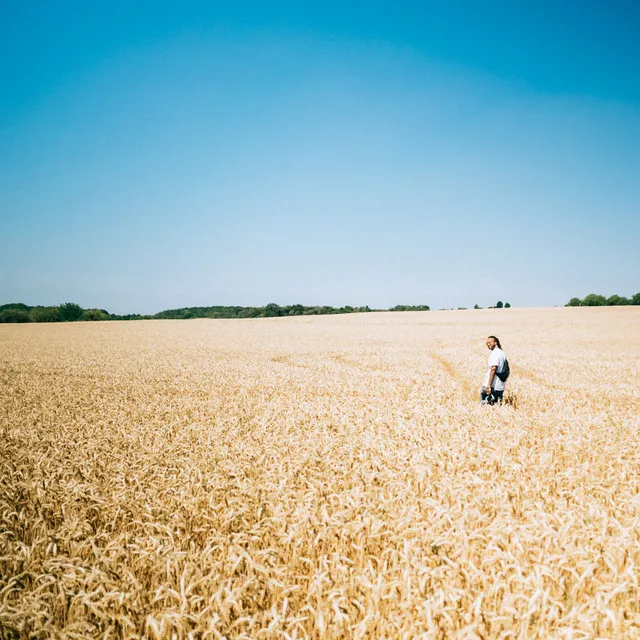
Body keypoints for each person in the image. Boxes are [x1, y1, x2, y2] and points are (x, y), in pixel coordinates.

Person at [481, 335, 507, 405]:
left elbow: (493, 369)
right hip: (500, 385)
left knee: (485, 407)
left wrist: (489, 386)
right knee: (497, 406)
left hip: (493, 385)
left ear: (495, 343)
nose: (488, 344)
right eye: (487, 343)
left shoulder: (495, 353)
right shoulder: (501, 352)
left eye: (490, 342)